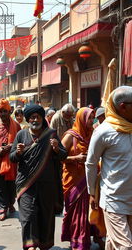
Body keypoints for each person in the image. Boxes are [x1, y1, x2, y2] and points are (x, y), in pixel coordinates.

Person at [10, 104, 67, 250]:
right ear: (28, 119)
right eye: (32, 117)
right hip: (26, 185)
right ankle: (30, 246)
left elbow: (64, 155)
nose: (35, 119)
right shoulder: (21, 135)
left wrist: (56, 148)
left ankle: (43, 245)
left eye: (38, 117)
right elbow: (12, 158)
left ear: (42, 118)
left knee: (45, 218)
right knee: (28, 218)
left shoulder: (52, 134)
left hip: (47, 185)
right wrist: (17, 152)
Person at [85, 86, 132, 249]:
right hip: (113, 200)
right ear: (123, 107)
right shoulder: (103, 132)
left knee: (113, 243)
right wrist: (92, 192)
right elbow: (91, 163)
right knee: (126, 246)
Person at [61, 107, 95, 249]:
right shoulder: (70, 136)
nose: (92, 121)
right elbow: (59, 157)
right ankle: (75, 241)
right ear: (81, 119)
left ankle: (84, 241)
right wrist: (76, 158)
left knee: (86, 212)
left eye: (93, 118)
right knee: (74, 213)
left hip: (88, 178)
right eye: (89, 118)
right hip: (72, 180)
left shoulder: (93, 133)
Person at [0, 99, 21, 221]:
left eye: (5, 111)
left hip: (12, 161)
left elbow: (21, 141)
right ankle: (2, 210)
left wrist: (12, 146)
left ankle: (10, 203)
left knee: (12, 187)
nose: (3, 114)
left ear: (10, 111)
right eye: (0, 111)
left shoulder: (16, 126)